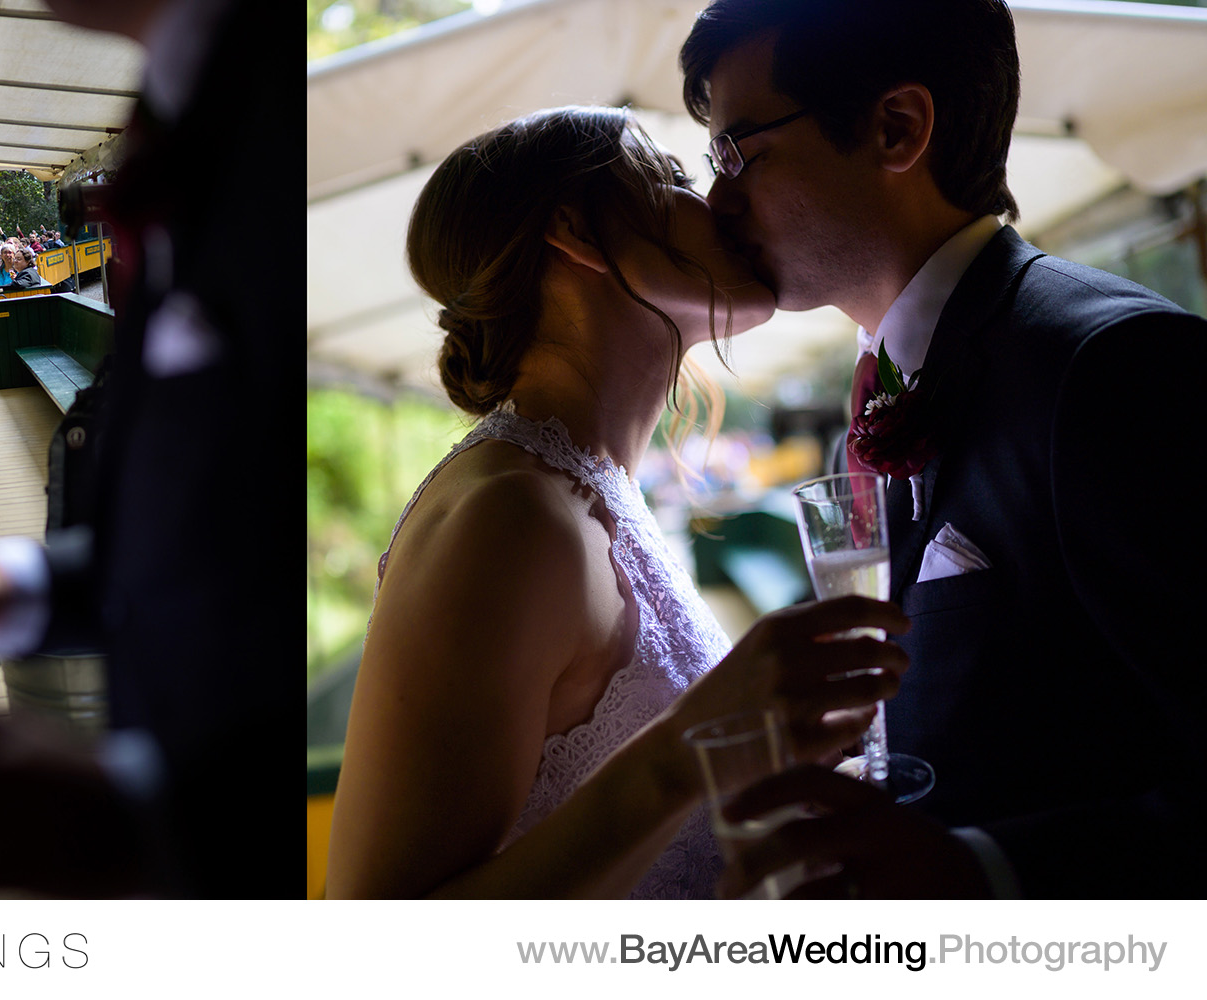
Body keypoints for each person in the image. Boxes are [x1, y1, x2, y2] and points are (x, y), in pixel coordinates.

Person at [681, 0, 1207, 898]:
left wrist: (981, 870)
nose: (716, 199)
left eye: (739, 152)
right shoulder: (888, 380)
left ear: (897, 127)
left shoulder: (1111, 367)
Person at [317, 106, 908, 899]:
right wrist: (690, 750)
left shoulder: (596, 489)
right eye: (671, 181)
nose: (720, 202)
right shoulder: (510, 520)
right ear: (576, 232)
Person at [0, 0, 297, 898]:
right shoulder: (185, 106)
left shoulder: (276, 107)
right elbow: (221, 547)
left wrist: (141, 819)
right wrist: (19, 584)